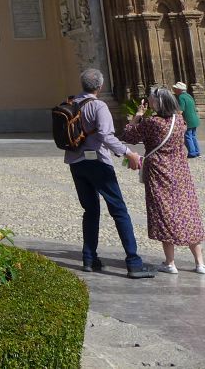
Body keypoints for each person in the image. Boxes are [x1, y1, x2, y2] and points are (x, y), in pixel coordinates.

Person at [64, 68, 154, 278]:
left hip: (76, 162)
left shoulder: (71, 103)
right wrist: (128, 153)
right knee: (119, 210)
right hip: (98, 163)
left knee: (90, 210)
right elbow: (105, 135)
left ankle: (89, 258)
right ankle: (133, 262)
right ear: (100, 86)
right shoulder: (98, 106)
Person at [122, 87, 205, 274]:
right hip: (180, 171)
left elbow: (128, 135)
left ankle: (170, 263)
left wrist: (138, 115)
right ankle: (200, 263)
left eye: (152, 99)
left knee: (164, 213)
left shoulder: (152, 122)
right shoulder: (179, 121)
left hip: (159, 171)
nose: (149, 102)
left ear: (158, 103)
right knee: (188, 211)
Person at [173, 81, 202, 159]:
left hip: (188, 120)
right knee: (193, 136)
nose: (174, 90)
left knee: (188, 136)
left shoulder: (181, 97)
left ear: (179, 89)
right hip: (194, 119)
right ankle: (197, 152)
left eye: (175, 88)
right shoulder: (189, 95)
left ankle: (192, 153)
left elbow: (181, 110)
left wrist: (175, 118)